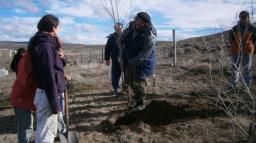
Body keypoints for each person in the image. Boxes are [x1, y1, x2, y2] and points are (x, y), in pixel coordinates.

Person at [29, 14, 66, 143]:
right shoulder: (45, 46)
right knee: (47, 135)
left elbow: (55, 67)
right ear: (53, 28)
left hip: (48, 93)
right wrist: (55, 103)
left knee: (44, 131)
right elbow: (48, 77)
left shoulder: (48, 45)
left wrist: (62, 58)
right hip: (48, 95)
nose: (59, 30)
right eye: (58, 27)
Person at [121, 12, 157, 108]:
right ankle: (133, 100)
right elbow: (123, 40)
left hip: (142, 62)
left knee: (138, 83)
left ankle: (140, 104)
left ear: (146, 24)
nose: (138, 23)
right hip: (129, 59)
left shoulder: (149, 36)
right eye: (137, 20)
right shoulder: (130, 28)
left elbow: (144, 54)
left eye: (142, 22)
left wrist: (131, 62)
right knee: (129, 82)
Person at [229, 10, 256, 89]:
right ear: (239, 18)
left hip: (247, 51)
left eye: (245, 17)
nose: (243, 18)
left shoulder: (253, 28)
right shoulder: (234, 28)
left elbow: (254, 40)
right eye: (241, 17)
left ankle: (246, 87)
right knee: (234, 68)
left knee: (247, 69)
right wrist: (235, 46)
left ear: (248, 17)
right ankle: (233, 85)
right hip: (235, 50)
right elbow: (230, 39)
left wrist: (251, 47)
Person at [105, 23, 123, 96]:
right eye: (116, 29)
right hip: (115, 60)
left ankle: (127, 89)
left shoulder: (126, 35)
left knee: (127, 76)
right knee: (115, 76)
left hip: (126, 61)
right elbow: (107, 48)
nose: (118, 30)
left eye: (119, 29)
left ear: (122, 28)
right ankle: (117, 90)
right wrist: (107, 58)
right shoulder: (111, 37)